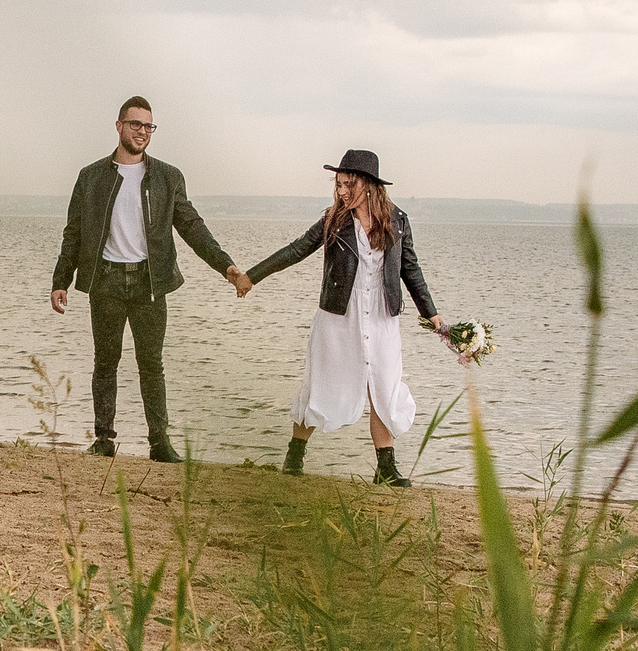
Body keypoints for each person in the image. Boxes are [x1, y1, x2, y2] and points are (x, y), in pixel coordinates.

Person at [228, 149, 449, 487]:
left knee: (384, 387)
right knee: (322, 383)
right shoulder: (335, 219)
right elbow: (297, 248)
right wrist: (252, 276)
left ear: (370, 185)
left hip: (382, 316)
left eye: (349, 184)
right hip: (338, 316)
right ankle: (295, 455)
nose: (342, 191)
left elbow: (410, 270)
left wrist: (432, 315)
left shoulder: (397, 220)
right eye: (339, 184)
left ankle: (385, 468)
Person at [50, 97, 240, 461]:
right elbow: (73, 232)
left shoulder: (168, 178)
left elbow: (193, 227)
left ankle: (159, 442)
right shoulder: (91, 177)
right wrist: (61, 279)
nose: (142, 132)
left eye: (148, 126)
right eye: (135, 124)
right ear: (119, 126)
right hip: (105, 282)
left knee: (152, 364)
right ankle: (104, 439)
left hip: (149, 284)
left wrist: (226, 267)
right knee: (105, 362)